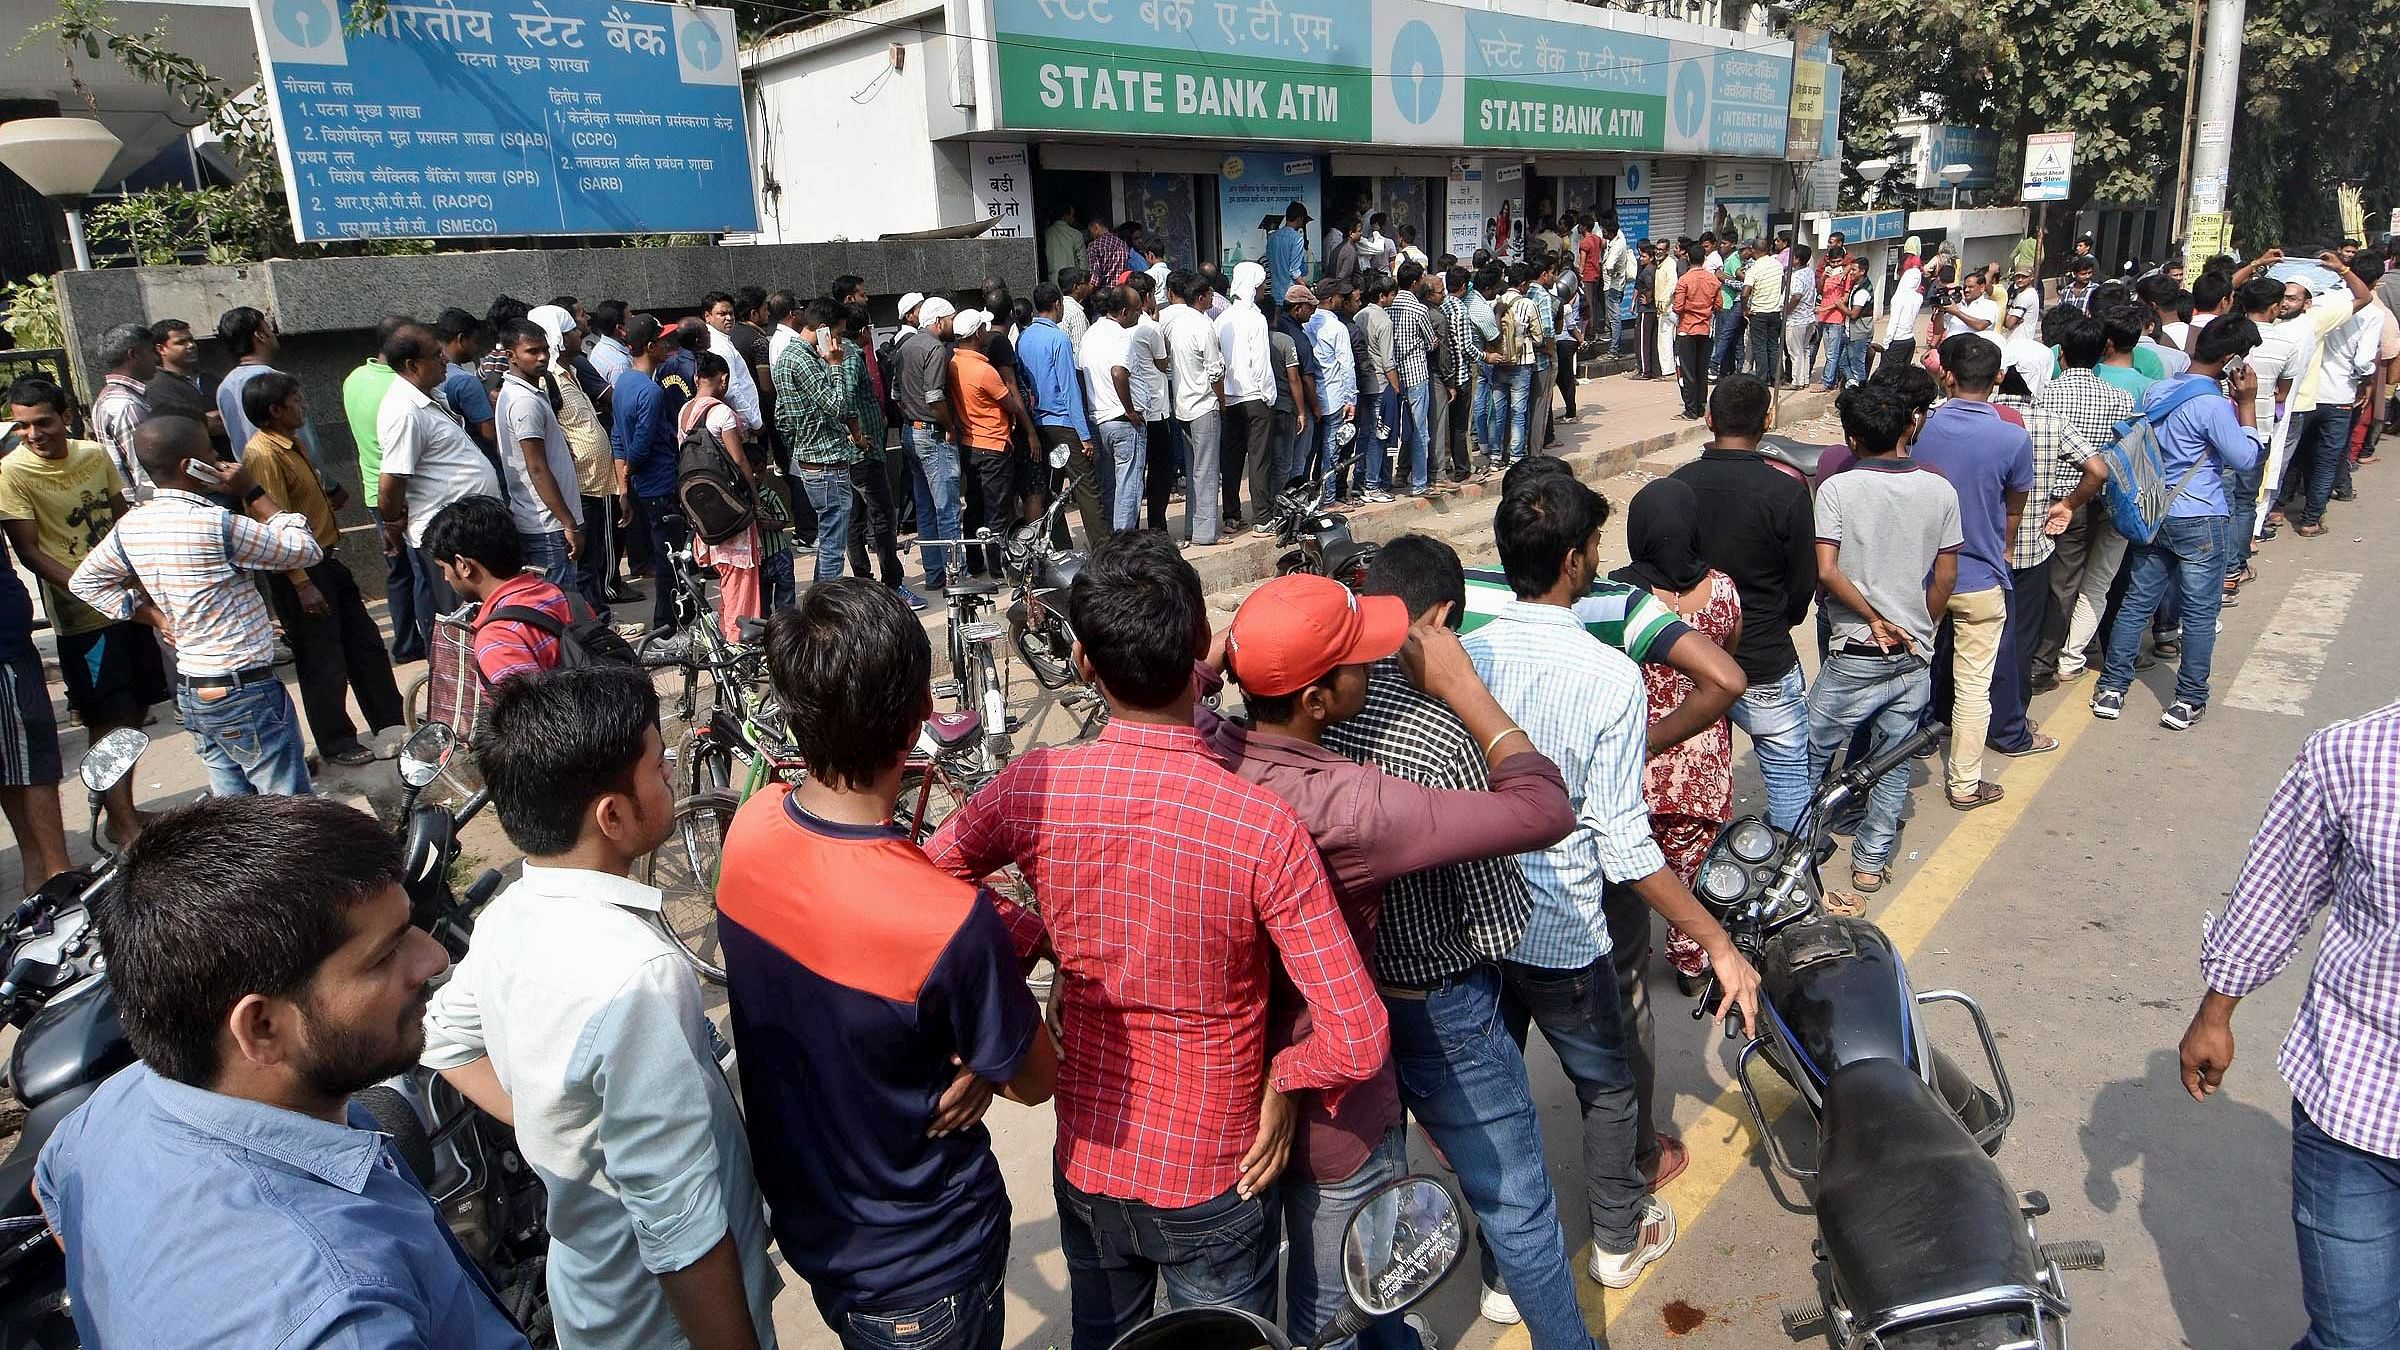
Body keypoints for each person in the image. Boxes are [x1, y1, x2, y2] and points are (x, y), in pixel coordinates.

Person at [924, 531, 1387, 1350]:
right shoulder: (1260, 827)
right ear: (1201, 645)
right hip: (1215, 1169)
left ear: (1079, 662)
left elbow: (927, 879)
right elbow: (1357, 1034)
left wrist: (1042, 938)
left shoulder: (1035, 786)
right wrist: (1286, 1077)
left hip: (1091, 1160)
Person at [1205, 571, 1575, 1350]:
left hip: (1273, 1044)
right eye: (1354, 660)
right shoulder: (1362, 792)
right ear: (1316, 699)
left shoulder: (1208, 746)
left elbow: (1157, 690)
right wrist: (1465, 689)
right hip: (1415, 1010)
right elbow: (1543, 811)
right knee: (1511, 1206)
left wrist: (1239, 651)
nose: (1369, 668)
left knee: (1341, 1267)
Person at [34, 796, 525, 1347]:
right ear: (262, 1028)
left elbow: (50, 1186)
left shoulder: (111, 1107)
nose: (434, 959)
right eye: (384, 955)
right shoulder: (346, 1318)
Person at [718, 580, 1055, 1350]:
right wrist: (990, 1048)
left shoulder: (749, 828)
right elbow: (1037, 1080)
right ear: (916, 727)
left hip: (817, 1231)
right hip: (927, 1268)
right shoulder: (948, 922)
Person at [1464, 471, 1762, 1299]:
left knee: (1499, 1101)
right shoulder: (1608, 676)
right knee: (1605, 1090)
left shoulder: (1469, 654)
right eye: (1595, 546)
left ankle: (1500, 1275)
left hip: (1482, 916)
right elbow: (1627, 848)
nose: (1602, 559)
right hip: (1565, 926)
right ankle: (1618, 1240)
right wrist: (1716, 940)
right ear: (1571, 560)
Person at [424, 668, 781, 1350]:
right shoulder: (639, 979)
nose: (673, 766)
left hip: (592, 1296)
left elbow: (446, 1041)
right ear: (611, 816)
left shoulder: (509, 917)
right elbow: (681, 1228)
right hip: (668, 1324)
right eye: (656, 763)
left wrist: (547, 1119)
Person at [1317, 537, 1592, 1350]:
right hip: (1438, 1008)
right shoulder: (1442, 736)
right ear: (1439, 621)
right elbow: (1498, 912)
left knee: (1371, 1206)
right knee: (1518, 1206)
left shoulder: (1316, 714)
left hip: (1340, 1005)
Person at [2179, 697, 2400, 1350]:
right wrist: (2215, 1013)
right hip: (2358, 1104)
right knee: (2354, 1341)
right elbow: (2276, 894)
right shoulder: (2353, 754)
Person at [70, 416, 319, 798]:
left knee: (231, 806)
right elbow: (304, 549)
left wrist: (153, 617)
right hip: (243, 687)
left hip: (193, 687)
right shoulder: (217, 524)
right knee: (286, 807)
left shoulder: (131, 526)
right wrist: (253, 490)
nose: (219, 459)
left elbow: (84, 582)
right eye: (210, 453)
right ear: (191, 466)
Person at [1807, 381, 1962, 891]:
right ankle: (1870, 863)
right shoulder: (1940, 489)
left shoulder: (1837, 490)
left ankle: (1800, 845)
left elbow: (1827, 572)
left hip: (1856, 649)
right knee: (1892, 761)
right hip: (1914, 652)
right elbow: (1944, 577)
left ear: (1851, 438)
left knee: (1808, 751)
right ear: (1909, 426)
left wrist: (1874, 618)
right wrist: (1924, 626)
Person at [0, 378, 163, 841]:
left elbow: (118, 517)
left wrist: (134, 581)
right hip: (81, 620)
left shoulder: (92, 456)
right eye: (22, 425)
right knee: (105, 715)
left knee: (135, 708)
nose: (33, 434)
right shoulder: (12, 474)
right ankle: (124, 823)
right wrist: (91, 588)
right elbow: (30, 552)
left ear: (66, 415)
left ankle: (122, 813)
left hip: (126, 604)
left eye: (43, 422)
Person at [2091, 318, 2262, 729]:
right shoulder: (2213, 405)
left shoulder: (2158, 389)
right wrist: (2249, 404)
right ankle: (2188, 699)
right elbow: (2246, 459)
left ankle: (2112, 689)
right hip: (2201, 516)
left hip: (2154, 512)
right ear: (2230, 360)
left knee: (2136, 603)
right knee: (2201, 613)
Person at [1609, 480, 1741, 981]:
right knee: (1690, 870)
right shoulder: (1723, 590)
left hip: (1631, 758)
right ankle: (1690, 960)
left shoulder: (1619, 595)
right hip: (1698, 761)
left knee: (1628, 869)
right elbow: (1729, 653)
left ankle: (1632, 955)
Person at [240, 372, 406, 768]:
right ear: (274, 410)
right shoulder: (262, 454)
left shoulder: (292, 443)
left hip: (327, 559)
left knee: (365, 646)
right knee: (322, 660)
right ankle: (336, 741)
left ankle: (391, 724)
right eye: (296, 399)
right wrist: (300, 583)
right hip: (301, 572)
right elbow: (273, 526)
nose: (304, 405)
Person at [1671, 375, 1815, 831]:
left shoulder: (1679, 486)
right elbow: (1802, 583)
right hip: (1764, 657)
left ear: (1709, 419)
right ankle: (1790, 886)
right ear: (1768, 420)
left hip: (1691, 661)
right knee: (1790, 777)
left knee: (1694, 783)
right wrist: (1779, 621)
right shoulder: (1786, 492)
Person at [1911, 335, 2032, 810]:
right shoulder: (2012, 436)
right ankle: (1964, 783)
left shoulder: (1926, 429)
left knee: (1911, 674)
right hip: (1982, 578)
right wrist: (2001, 548)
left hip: (1925, 580)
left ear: (1948, 375)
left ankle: (1896, 764)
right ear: (1998, 379)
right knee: (1973, 686)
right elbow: (2014, 508)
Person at [1987, 356, 2089, 754]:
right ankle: (2010, 721)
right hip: (2030, 551)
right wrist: (2068, 505)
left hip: (1977, 551)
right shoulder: (2051, 423)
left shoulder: (1979, 419)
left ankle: (1952, 715)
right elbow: (2096, 469)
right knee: (2018, 640)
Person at [379, 323, 506, 631]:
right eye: (436, 355)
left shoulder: (430, 395)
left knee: (489, 619)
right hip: (449, 538)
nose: (445, 359)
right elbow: (391, 481)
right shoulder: (404, 411)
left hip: (473, 529)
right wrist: (394, 522)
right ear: (412, 365)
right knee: (465, 629)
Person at [342, 316, 430, 661]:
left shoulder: (355, 379)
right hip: (402, 494)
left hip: (373, 491)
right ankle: (436, 644)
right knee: (423, 572)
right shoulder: (400, 388)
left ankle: (406, 643)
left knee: (398, 572)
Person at [422, 495, 575, 687]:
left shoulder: (498, 638)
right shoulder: (563, 597)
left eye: (444, 568)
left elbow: (526, 714)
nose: (445, 578)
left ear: (463, 565)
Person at [528, 303, 620, 620]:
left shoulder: (570, 373)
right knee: (583, 559)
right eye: (571, 330)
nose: (579, 333)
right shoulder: (546, 381)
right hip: (577, 482)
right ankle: (596, 622)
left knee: (593, 554)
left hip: (593, 479)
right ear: (558, 335)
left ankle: (599, 618)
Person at [612, 316, 694, 638]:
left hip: (644, 487)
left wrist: (624, 485)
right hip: (660, 483)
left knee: (667, 556)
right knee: (671, 559)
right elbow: (642, 445)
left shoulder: (622, 384)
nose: (667, 346)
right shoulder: (651, 391)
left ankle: (675, 621)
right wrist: (630, 470)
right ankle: (667, 626)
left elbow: (618, 438)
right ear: (650, 347)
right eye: (662, 341)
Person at [681, 351, 773, 635]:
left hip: (705, 511)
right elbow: (740, 460)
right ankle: (739, 643)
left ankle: (727, 632)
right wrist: (756, 502)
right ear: (723, 379)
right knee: (742, 582)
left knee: (726, 581)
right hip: (732, 510)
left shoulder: (684, 411)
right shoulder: (722, 413)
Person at [493, 321, 584, 588]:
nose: (542, 357)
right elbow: (537, 468)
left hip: (547, 523)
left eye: (545, 350)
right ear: (511, 356)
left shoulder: (528, 392)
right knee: (559, 606)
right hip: (549, 527)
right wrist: (568, 523)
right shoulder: (524, 402)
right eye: (532, 352)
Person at [1024, 282, 1108, 549]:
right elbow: (1069, 389)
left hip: (1039, 424)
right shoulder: (1058, 338)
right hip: (1063, 423)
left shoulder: (1024, 338)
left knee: (1052, 491)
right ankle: (1103, 548)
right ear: (1058, 304)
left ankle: (1060, 547)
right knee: (1086, 488)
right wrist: (1084, 436)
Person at [894, 298, 968, 591]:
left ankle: (935, 574)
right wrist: (949, 427)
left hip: (910, 433)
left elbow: (896, 395)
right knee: (947, 510)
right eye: (951, 319)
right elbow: (935, 397)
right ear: (939, 322)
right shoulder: (935, 349)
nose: (953, 324)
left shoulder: (906, 347)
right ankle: (956, 576)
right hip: (933, 434)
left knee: (925, 509)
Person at [1161, 272, 1231, 543]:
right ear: (1201, 297)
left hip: (1182, 404)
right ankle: (1205, 533)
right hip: (1203, 404)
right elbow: (1215, 372)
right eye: (1211, 295)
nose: (1213, 298)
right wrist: (1222, 401)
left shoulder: (1177, 324)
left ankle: (1194, 526)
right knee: (1207, 471)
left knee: (1194, 471)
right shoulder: (1203, 325)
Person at [1215, 262, 1278, 535]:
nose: (1264, 288)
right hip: (1255, 395)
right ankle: (1262, 517)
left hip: (1229, 398)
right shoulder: (1256, 319)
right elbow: (1261, 363)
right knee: (1259, 459)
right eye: (1261, 284)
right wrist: (1269, 395)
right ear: (1253, 287)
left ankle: (1231, 515)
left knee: (1232, 459)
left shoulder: (1221, 319)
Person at [215, 307, 321, 468]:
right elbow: (305, 441)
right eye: (268, 329)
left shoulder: (224, 388)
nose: (273, 334)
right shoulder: (278, 382)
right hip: (290, 476)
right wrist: (327, 484)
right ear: (260, 335)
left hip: (251, 479)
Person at [87, 322, 158, 501]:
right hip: (147, 504)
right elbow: (144, 470)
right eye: (151, 351)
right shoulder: (125, 404)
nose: (156, 358)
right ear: (133, 355)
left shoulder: (113, 397)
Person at [1391, 264, 1439, 497]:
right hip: (1416, 374)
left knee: (1400, 429)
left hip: (1394, 375)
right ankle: (1420, 482)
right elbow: (1431, 342)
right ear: (1414, 283)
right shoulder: (1418, 309)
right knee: (1420, 430)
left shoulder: (1390, 306)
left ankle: (1398, 474)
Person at [144, 317, 224, 452]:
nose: (191, 345)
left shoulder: (209, 379)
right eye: (181, 342)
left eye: (191, 340)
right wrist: (218, 416)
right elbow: (190, 426)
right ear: (161, 349)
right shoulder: (159, 386)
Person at [434, 308, 502, 463]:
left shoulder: (430, 377)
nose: (476, 347)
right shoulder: (465, 381)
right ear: (461, 339)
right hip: (480, 462)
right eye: (475, 341)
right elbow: (489, 434)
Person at [1670, 241, 1719, 420]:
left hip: (1687, 330)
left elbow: (1678, 306)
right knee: (1701, 370)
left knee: (1687, 371)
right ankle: (1700, 407)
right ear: (1704, 258)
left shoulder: (1684, 280)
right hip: (1705, 330)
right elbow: (1718, 305)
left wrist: (1690, 308)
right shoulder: (1712, 280)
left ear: (1689, 258)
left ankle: (1690, 410)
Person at [1743, 239, 1787, 384]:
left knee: (1760, 347)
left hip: (1759, 313)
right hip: (1775, 312)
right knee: (1773, 345)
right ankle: (1777, 377)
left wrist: (1745, 309)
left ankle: (1762, 378)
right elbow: (1782, 283)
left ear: (1754, 250)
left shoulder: (1754, 269)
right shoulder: (1777, 265)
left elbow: (1745, 293)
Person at [1268, 201, 1311, 300]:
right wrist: (1306, 290)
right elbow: (1294, 270)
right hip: (1290, 292)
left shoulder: (1272, 237)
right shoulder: (1297, 238)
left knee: (1276, 315)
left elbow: (1270, 261)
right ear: (1300, 218)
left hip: (1275, 291)